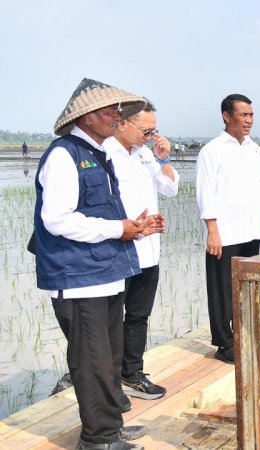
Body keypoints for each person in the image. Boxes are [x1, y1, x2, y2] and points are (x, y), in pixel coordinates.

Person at [34, 78, 161, 449]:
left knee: (109, 358)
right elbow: (55, 219)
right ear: (88, 116)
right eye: (109, 112)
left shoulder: (99, 155)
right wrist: (116, 228)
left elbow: (102, 217)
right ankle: (98, 439)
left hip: (107, 274)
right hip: (78, 277)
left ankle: (110, 426)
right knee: (91, 362)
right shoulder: (64, 155)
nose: (116, 118)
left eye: (118, 112)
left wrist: (133, 228)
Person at [104, 100, 179, 402]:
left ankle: (132, 373)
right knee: (109, 317)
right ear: (123, 123)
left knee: (138, 315)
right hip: (118, 247)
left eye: (154, 130)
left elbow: (170, 189)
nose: (150, 136)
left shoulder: (147, 154)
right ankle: (108, 383)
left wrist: (163, 159)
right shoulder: (105, 152)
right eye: (146, 130)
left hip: (149, 248)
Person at [196, 94, 260, 365]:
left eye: (251, 115)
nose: (249, 120)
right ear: (226, 116)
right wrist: (212, 230)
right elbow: (205, 193)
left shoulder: (255, 149)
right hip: (226, 231)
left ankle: (247, 334)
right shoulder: (213, 151)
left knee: (248, 286)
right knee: (222, 288)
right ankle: (224, 342)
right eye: (243, 115)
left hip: (252, 229)